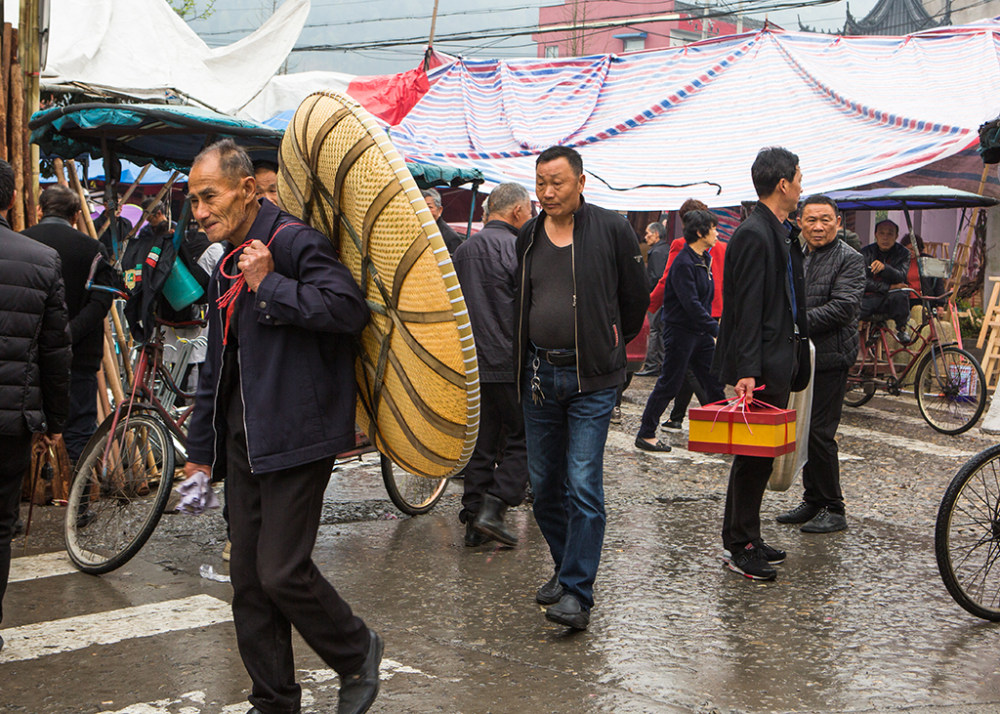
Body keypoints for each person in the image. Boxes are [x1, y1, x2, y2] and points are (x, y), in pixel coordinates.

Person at [182, 139, 381, 714]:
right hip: (247, 438)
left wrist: (270, 284)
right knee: (248, 580)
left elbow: (348, 310)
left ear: (246, 189)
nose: (199, 212)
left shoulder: (291, 241)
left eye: (209, 197)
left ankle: (356, 650)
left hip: (298, 434)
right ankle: (273, 701)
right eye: (193, 201)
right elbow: (217, 366)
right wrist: (201, 453)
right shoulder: (226, 258)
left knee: (281, 570)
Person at [515, 145, 648, 629]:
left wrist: (610, 344)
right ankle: (565, 563)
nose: (548, 193)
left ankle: (576, 593)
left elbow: (635, 298)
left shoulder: (611, 229)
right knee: (545, 485)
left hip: (591, 378)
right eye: (541, 183)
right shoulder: (527, 235)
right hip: (539, 377)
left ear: (581, 182)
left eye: (557, 183)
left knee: (583, 483)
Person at [712, 146, 809, 582]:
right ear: (783, 183)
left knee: (760, 454)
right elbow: (746, 308)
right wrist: (746, 370)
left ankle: (745, 532)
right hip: (760, 363)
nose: (802, 187)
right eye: (799, 179)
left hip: (775, 358)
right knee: (752, 455)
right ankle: (740, 544)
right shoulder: (755, 232)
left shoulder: (778, 230)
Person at [0, 159, 72, 653]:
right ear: (9, 200)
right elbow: (55, 351)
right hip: (10, 423)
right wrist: (55, 421)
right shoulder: (41, 260)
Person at [776, 195, 864, 534]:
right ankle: (813, 500)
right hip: (802, 355)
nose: (818, 226)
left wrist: (792, 322)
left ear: (838, 222)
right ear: (800, 222)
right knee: (803, 432)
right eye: (811, 219)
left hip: (831, 357)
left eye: (825, 219)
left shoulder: (850, 259)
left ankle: (834, 507)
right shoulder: (798, 255)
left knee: (820, 433)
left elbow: (842, 308)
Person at [452, 183, 532, 548]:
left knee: (481, 444)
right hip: (509, 361)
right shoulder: (519, 248)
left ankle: (473, 520)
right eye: (529, 211)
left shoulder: (465, 250)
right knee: (525, 437)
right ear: (517, 211)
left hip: (472, 362)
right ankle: (495, 507)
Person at [23, 185, 114, 462]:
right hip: (79, 357)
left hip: (30, 357)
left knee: (22, 429)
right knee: (78, 432)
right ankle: (79, 503)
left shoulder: (20, 244)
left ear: (39, 210)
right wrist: (68, 333)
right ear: (76, 215)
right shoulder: (93, 249)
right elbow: (101, 302)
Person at [635, 210, 726, 452]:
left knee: (714, 381)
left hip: (700, 334)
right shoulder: (684, 262)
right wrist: (716, 328)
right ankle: (646, 433)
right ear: (700, 232)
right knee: (670, 383)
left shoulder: (704, 258)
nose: (717, 233)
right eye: (714, 228)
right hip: (681, 332)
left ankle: (724, 434)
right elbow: (691, 304)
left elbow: (704, 302)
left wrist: (711, 329)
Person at [860, 218, 912, 344]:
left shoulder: (903, 253)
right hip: (869, 298)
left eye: (890, 234)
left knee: (901, 295)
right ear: (875, 235)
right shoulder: (865, 252)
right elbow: (862, 282)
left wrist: (885, 268)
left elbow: (901, 276)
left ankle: (902, 329)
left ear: (896, 236)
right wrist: (888, 287)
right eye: (882, 233)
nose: (885, 238)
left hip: (891, 299)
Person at [635, 221, 670, 377]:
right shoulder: (665, 249)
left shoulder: (656, 252)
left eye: (648, 233)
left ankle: (651, 365)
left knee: (654, 330)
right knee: (660, 330)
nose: (645, 236)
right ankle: (661, 364)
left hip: (657, 296)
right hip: (665, 297)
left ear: (656, 234)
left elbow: (655, 277)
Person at [422, 187, 463, 255]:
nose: (425, 211)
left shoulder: (451, 237)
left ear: (440, 210)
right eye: (422, 207)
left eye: (429, 207)